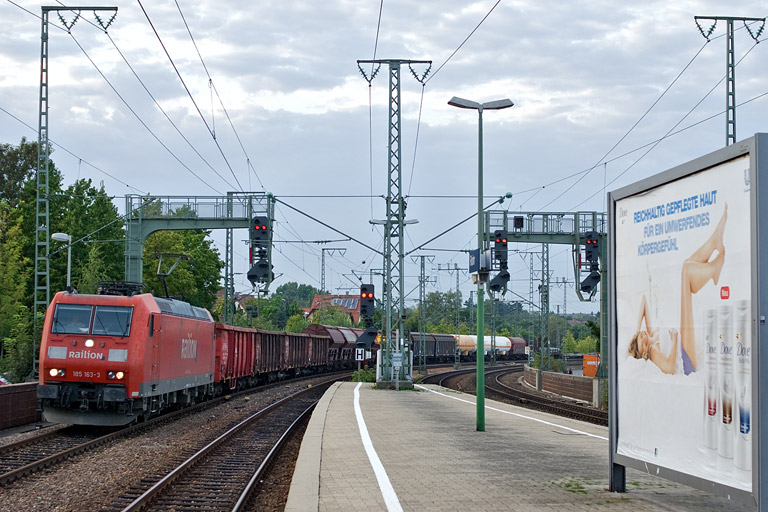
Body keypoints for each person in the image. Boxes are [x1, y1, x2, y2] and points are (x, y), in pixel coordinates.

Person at [628, 204, 727, 375]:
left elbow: (644, 300)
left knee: (686, 266)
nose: (644, 337)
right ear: (644, 352)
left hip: (683, 347)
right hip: (684, 357)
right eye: (642, 341)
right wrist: (673, 341)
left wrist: (637, 330)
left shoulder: (651, 334)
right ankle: (713, 266)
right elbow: (668, 368)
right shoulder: (651, 351)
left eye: (641, 337)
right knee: (686, 271)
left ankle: (713, 249)